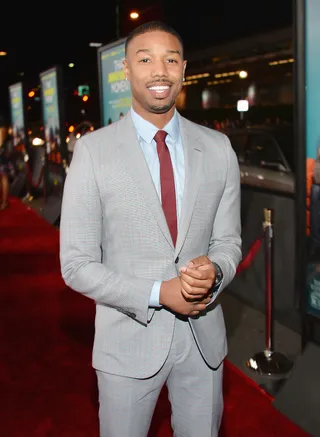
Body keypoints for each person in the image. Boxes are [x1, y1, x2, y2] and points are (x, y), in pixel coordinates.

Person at [60, 20, 241, 437]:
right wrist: (160, 293)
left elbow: (228, 242)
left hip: (204, 342)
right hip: (127, 344)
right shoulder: (92, 152)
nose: (159, 70)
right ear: (126, 69)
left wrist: (215, 272)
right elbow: (76, 264)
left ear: (183, 69)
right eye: (145, 59)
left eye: (170, 59)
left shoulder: (217, 148)